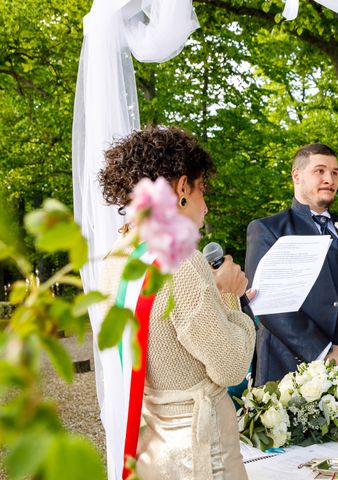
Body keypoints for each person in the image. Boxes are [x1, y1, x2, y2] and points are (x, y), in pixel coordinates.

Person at [98, 126, 256, 479]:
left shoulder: (117, 256)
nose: (206, 204)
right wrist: (230, 294)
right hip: (200, 447)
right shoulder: (183, 260)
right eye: (202, 190)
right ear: (182, 187)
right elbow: (230, 367)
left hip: (152, 441)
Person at [245, 143, 338, 385]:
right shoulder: (268, 230)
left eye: (335, 173)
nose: (329, 179)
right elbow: (268, 301)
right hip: (292, 372)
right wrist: (323, 351)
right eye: (320, 171)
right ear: (297, 175)